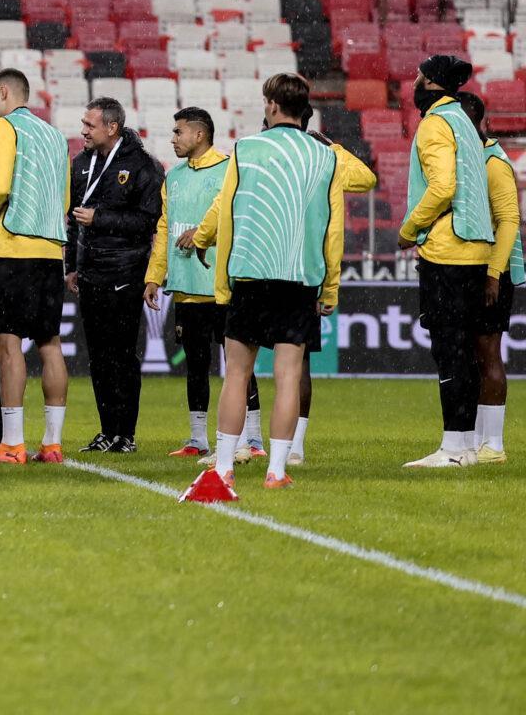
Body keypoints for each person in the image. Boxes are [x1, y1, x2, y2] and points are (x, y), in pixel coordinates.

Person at [181, 72, 343, 498]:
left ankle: (222, 468)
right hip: (299, 276)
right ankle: (276, 470)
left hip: (251, 273)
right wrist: (330, 288)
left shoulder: (246, 149)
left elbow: (228, 213)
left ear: (271, 105)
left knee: (237, 374)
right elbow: (333, 227)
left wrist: (221, 280)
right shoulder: (325, 156)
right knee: (288, 377)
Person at [0, 68, 72, 465]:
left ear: (4, 92)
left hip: (16, 249)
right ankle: (52, 444)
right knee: (49, 343)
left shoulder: (4, 128)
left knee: (6, 343)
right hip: (51, 252)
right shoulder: (55, 136)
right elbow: (64, 200)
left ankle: (13, 443)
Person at [397, 55, 495, 469]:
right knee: (465, 351)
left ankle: (453, 449)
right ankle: (466, 446)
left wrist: (409, 228)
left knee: (449, 350)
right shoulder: (463, 123)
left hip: (448, 250)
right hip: (476, 248)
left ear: (432, 83)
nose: (414, 82)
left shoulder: (435, 123)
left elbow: (441, 187)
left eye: (419, 76)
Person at [143, 107, 248, 458]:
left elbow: (236, 218)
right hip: (186, 286)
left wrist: (204, 233)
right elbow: (164, 227)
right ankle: (198, 439)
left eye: (179, 132)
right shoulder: (173, 176)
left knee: (238, 366)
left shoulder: (228, 169)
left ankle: (252, 440)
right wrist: (154, 275)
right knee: (196, 366)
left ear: (199, 135)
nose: (173, 139)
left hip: (221, 286)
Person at [66, 97, 164, 453]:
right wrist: (71, 265)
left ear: (112, 127)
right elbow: (73, 218)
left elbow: (148, 221)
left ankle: (126, 434)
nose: (83, 131)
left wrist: (101, 218)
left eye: (90, 125)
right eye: (83, 123)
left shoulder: (143, 166)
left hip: (125, 272)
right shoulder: (81, 164)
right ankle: (107, 430)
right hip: (90, 273)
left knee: (122, 355)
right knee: (98, 356)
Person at [288, 116, 378, 466]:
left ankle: (250, 440)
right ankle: (292, 446)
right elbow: (366, 178)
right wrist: (333, 148)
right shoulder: (323, 159)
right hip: (304, 270)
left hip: (267, 266)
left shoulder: (261, 156)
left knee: (243, 357)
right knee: (297, 361)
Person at [457, 92, 516, 465]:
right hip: (469, 269)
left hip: (491, 272)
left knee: (488, 353)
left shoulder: (494, 163)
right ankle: (477, 441)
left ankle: (493, 444)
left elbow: (509, 221)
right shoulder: (470, 159)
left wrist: (494, 274)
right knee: (472, 356)